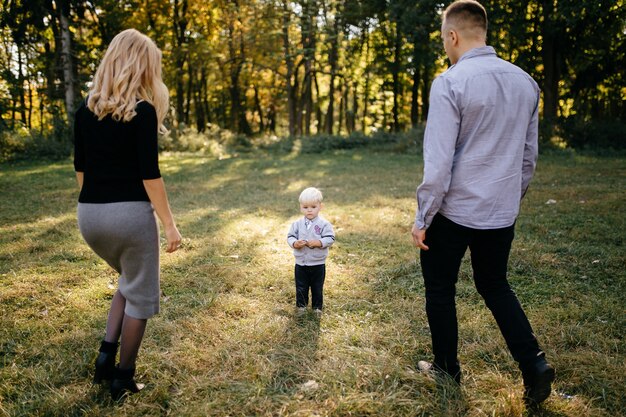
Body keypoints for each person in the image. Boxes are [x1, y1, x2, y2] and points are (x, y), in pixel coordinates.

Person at [411, 0, 555, 406]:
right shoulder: (525, 82)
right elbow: (528, 157)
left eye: (444, 40)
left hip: (453, 212)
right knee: (495, 285)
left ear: (453, 36)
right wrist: (511, 198)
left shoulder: (451, 82)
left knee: (441, 289)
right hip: (499, 212)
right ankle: (534, 365)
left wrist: (423, 216)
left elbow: (438, 163)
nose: (444, 47)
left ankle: (447, 368)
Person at [73, 29, 182, 401]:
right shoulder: (142, 111)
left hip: (89, 216)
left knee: (128, 282)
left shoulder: (84, 111)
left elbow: (81, 172)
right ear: (140, 66)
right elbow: (149, 175)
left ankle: (105, 357)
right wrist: (169, 224)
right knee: (140, 296)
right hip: (129, 216)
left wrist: (101, 207)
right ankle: (123, 377)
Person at [287, 187, 335, 313]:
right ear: (300, 207)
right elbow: (290, 236)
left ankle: (317, 308)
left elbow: (330, 238)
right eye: (305, 207)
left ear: (320, 206)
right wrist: (295, 243)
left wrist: (319, 242)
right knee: (301, 286)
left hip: (317, 263)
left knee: (317, 287)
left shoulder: (324, 224)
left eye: (313, 207)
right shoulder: (296, 224)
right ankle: (301, 306)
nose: (309, 210)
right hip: (301, 263)